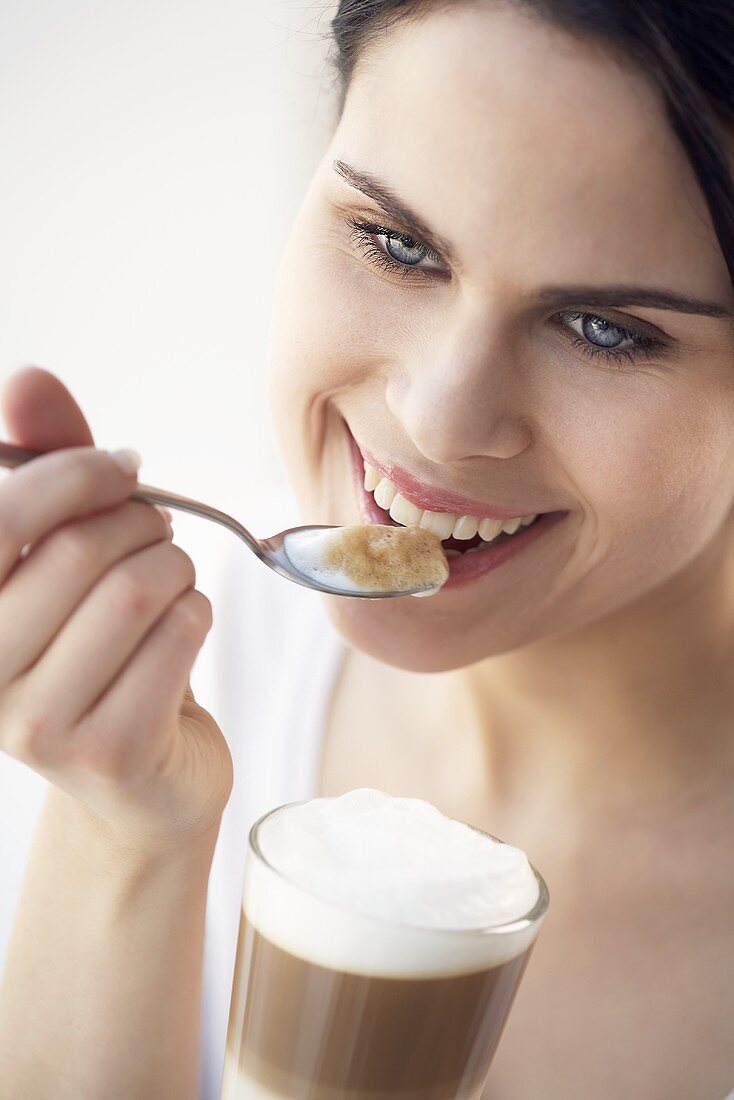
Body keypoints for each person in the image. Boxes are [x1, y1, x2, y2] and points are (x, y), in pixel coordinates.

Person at [1, 1, 734, 1097]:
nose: (438, 418)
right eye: (396, 244)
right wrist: (129, 834)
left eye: (603, 329)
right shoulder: (125, 679)